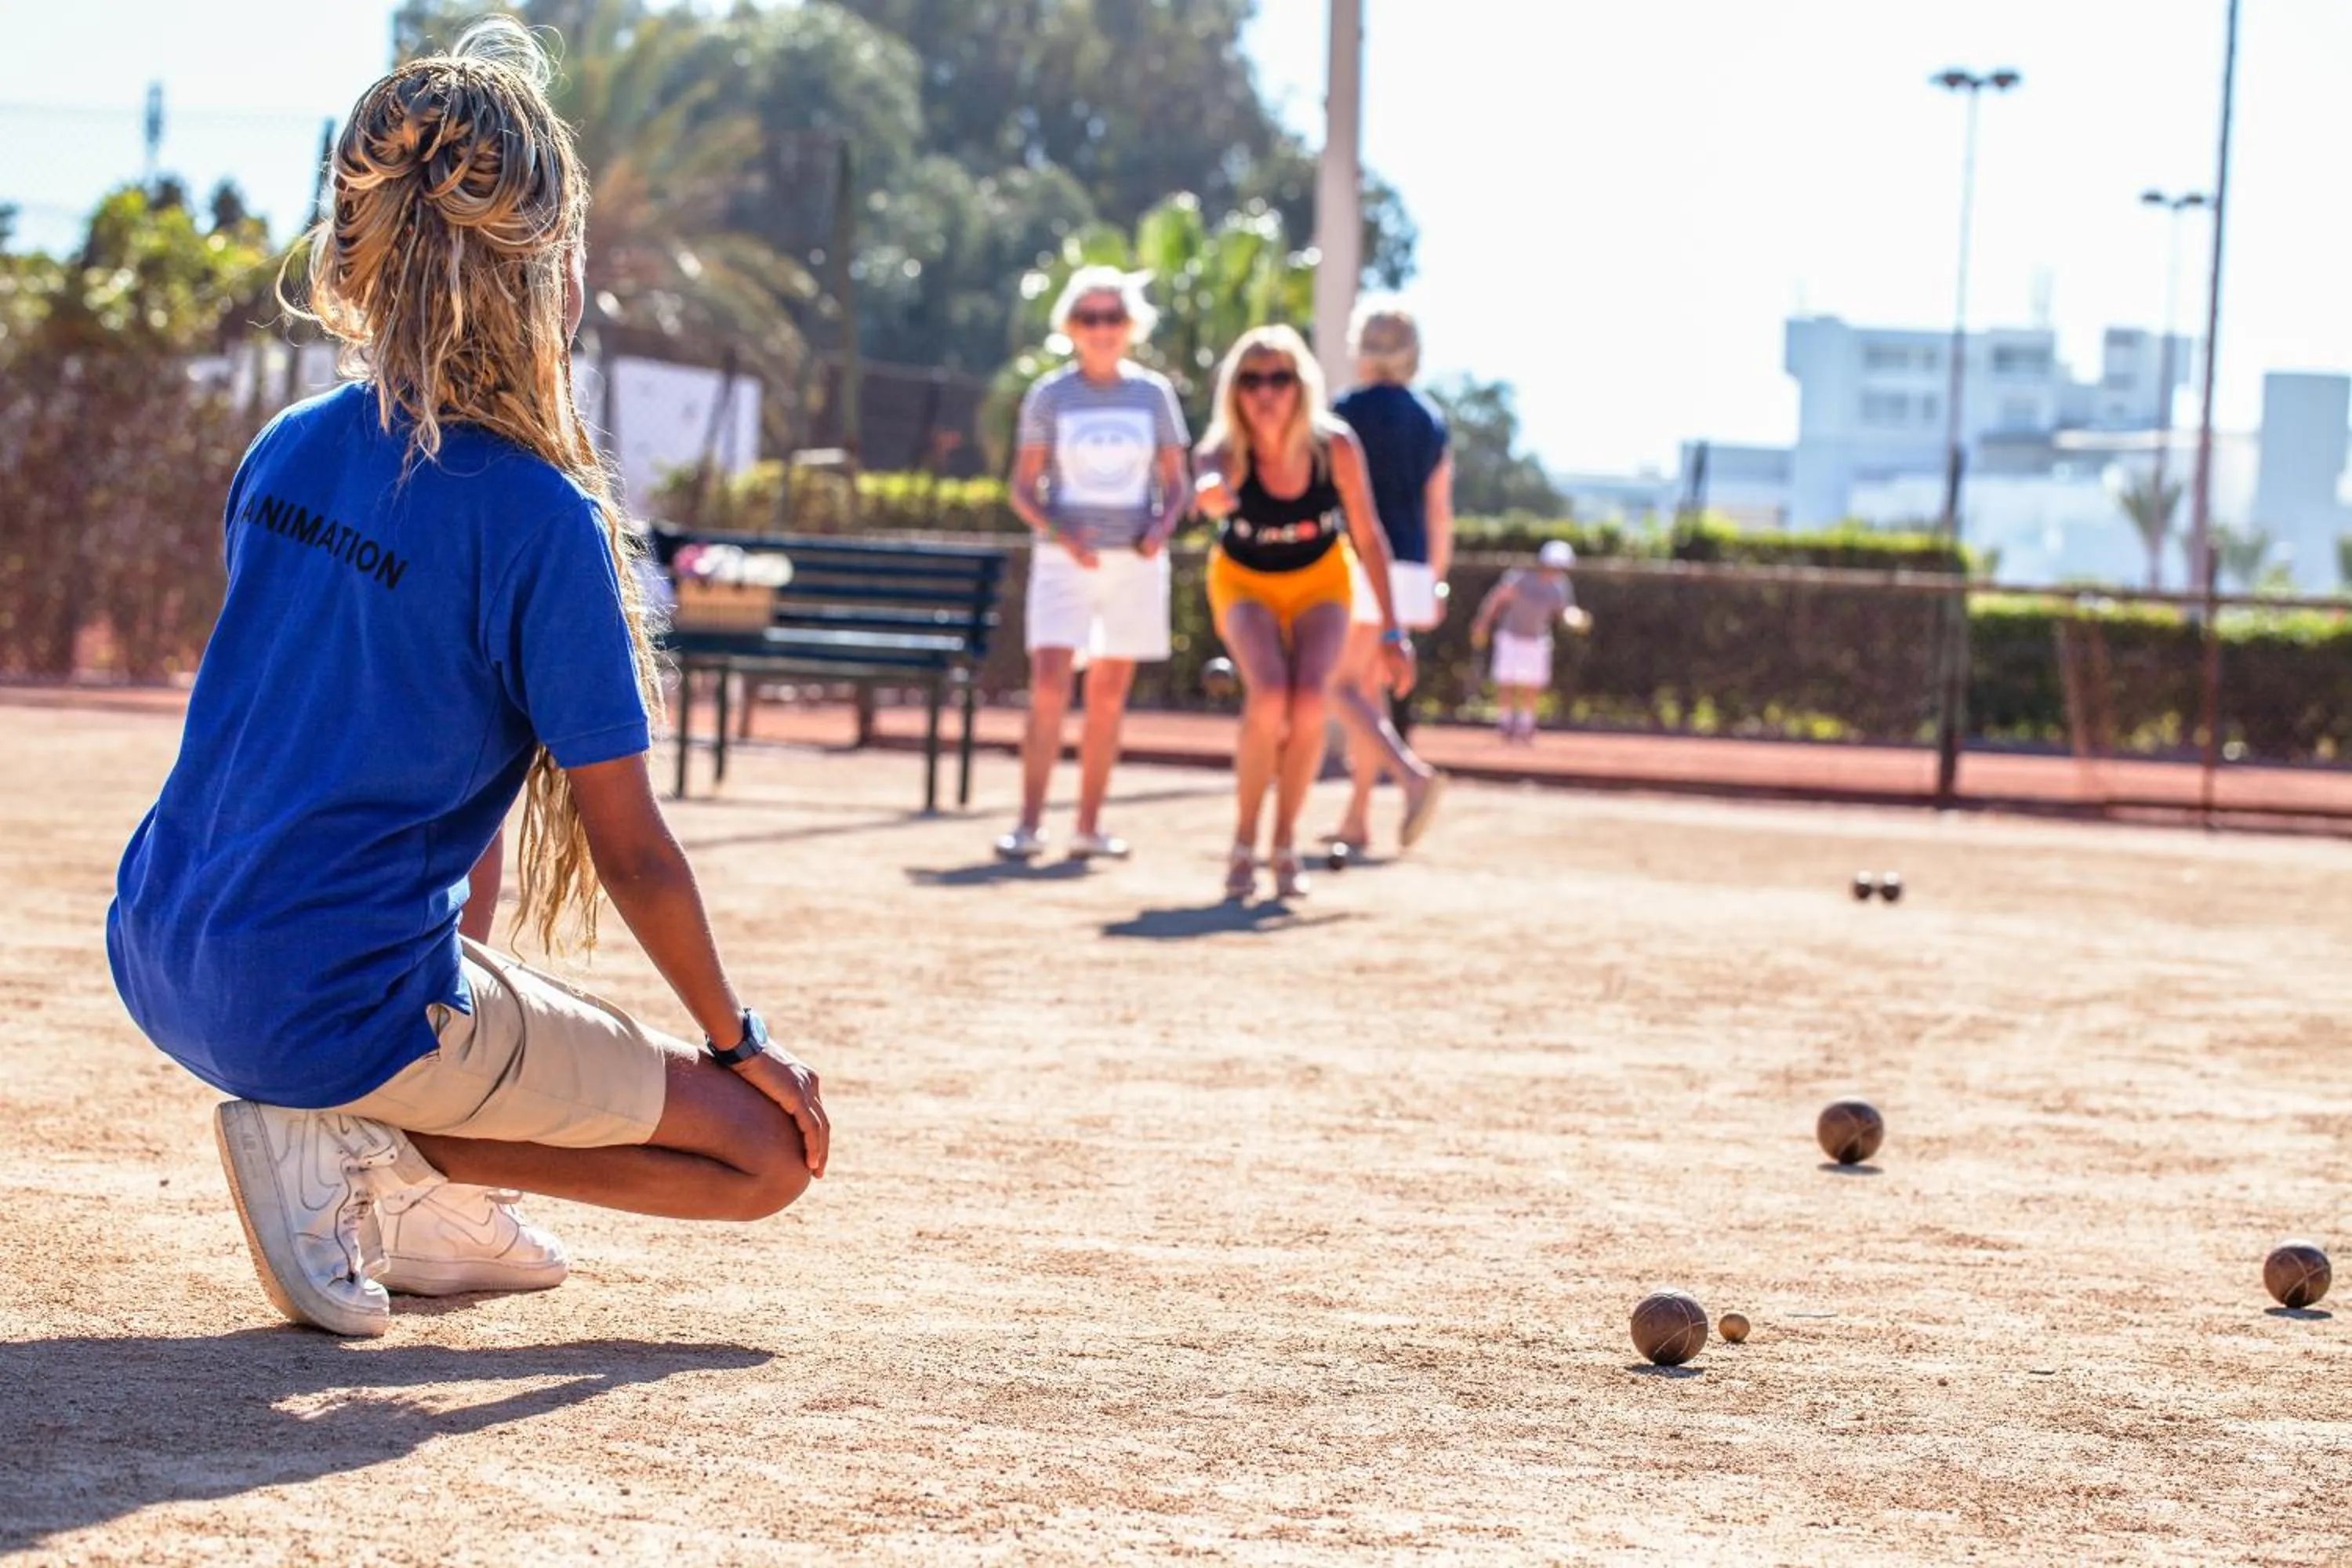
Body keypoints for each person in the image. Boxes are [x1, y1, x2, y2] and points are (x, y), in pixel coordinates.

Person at [104, 22, 829, 1339]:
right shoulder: (538, 515)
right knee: (762, 1158)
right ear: (547, 268)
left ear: (363, 248)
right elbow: (635, 852)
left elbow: (355, 737)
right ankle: (377, 1153)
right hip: (320, 1013)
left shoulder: (284, 447)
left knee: (461, 887)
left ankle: (387, 1156)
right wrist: (740, 1042)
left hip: (159, 949)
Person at [1193, 325, 1419, 901]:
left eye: (1279, 378)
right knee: (1270, 695)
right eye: (1251, 380)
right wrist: (1211, 492)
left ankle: (1285, 841)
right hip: (1244, 580)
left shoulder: (1335, 446)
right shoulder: (1223, 450)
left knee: (1312, 699)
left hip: (1321, 580)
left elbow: (1369, 539)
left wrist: (1393, 631)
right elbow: (1206, 482)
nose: (1265, 392)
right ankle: (1245, 840)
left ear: (1302, 386)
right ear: (1234, 391)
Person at [998, 267, 1191, 862]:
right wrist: (1064, 535)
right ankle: (1030, 825)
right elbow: (1022, 490)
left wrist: (1161, 528)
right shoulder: (1049, 396)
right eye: (1089, 318)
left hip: (1134, 565)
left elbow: (1177, 484)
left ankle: (1089, 826)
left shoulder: (1153, 394)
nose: (1102, 329)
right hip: (1063, 563)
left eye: (1112, 317)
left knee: (1108, 698)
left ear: (1130, 326)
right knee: (1051, 688)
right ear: (1071, 327)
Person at [1330, 303, 1451, 852]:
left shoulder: (1342, 412)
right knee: (1370, 694)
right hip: (1411, 568)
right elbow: (1439, 510)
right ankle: (1357, 820)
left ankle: (1410, 775)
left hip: (1357, 563)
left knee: (1339, 686)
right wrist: (1434, 581)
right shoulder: (1430, 419)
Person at [1472, 539, 1592, 742]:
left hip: (1538, 639)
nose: (1557, 570)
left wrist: (1575, 618)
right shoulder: (1519, 578)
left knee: (1533, 684)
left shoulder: (1560, 586)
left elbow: (1563, 612)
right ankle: (1506, 724)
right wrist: (1482, 623)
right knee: (1506, 681)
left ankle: (1527, 726)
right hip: (1510, 635)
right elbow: (1497, 599)